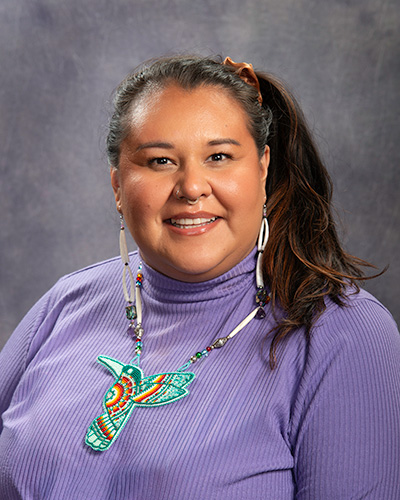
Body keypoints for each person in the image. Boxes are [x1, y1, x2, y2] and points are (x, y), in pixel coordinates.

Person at [0, 55, 399, 500]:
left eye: (219, 156)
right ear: (117, 185)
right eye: (159, 161)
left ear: (263, 168)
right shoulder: (65, 303)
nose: (191, 187)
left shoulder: (343, 335)